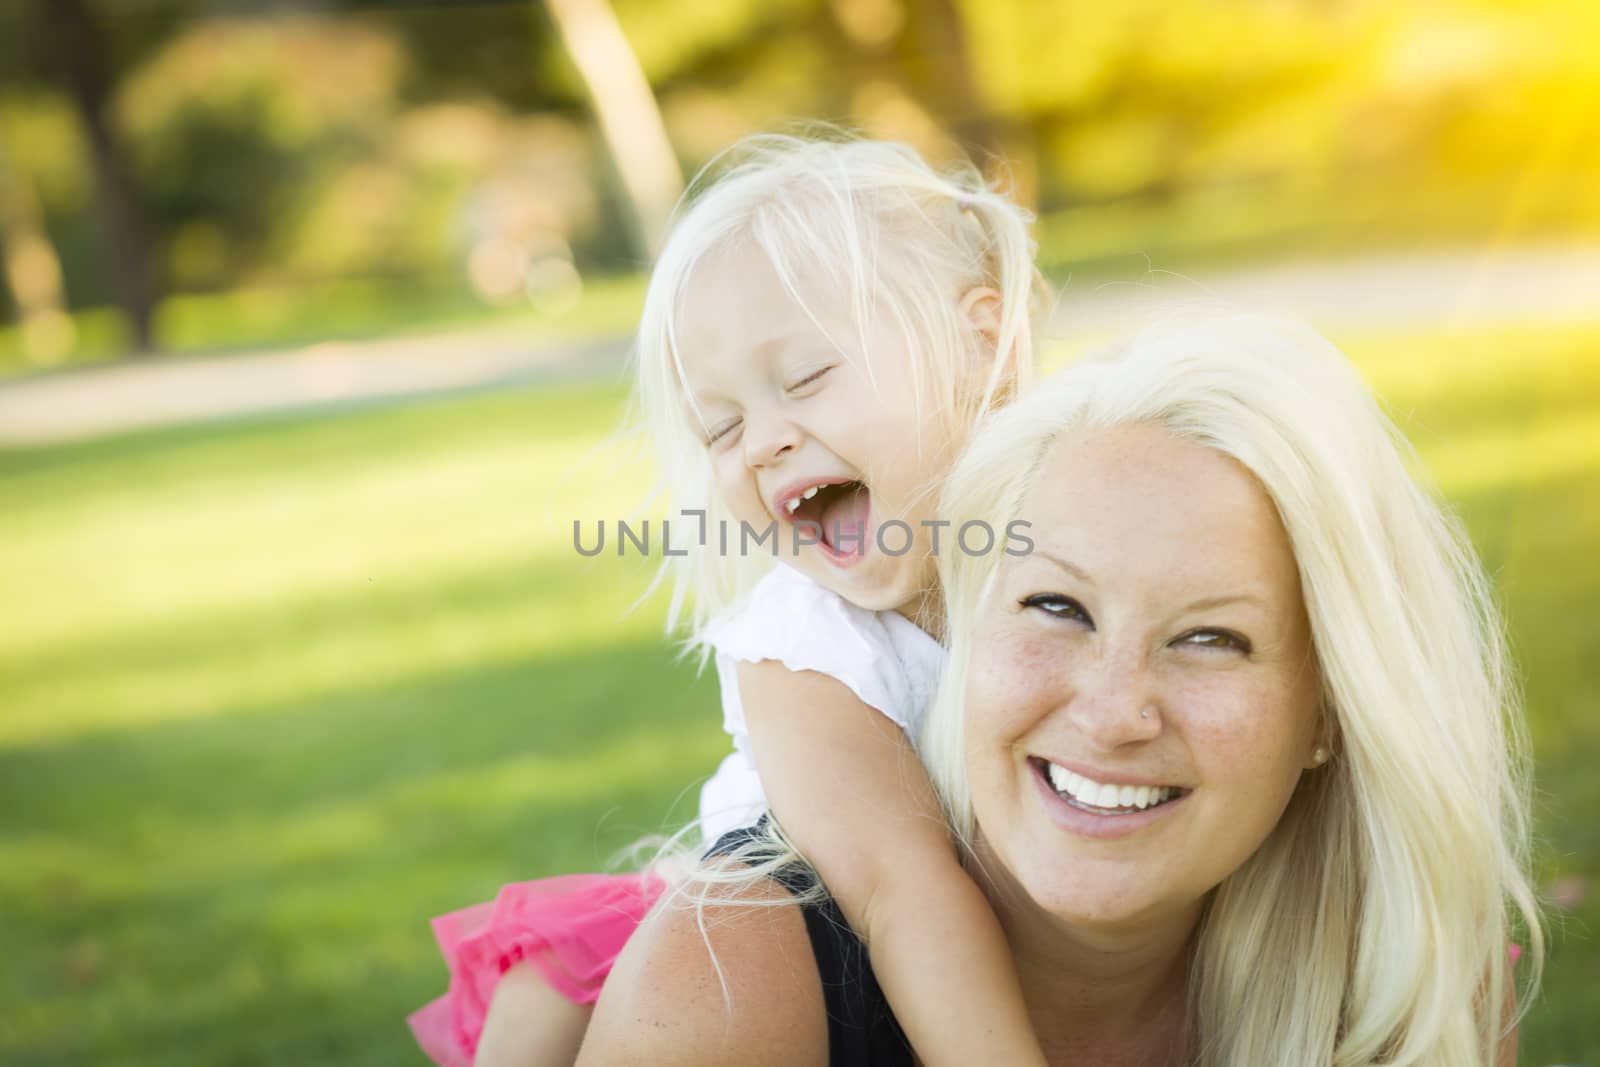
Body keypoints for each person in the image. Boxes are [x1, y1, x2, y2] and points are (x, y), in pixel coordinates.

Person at [578, 316, 1544, 1066]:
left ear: (1328, 710)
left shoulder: (1403, 980)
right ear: (962, 625)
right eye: (1057, 607)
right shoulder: (732, 982)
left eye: (1212, 637)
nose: (1113, 710)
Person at [408, 132, 1054, 1067]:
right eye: (721, 424)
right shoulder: (806, 639)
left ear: (980, 336)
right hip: (768, 936)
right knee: (543, 1004)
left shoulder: (1074, 551)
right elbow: (897, 888)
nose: (762, 443)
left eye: (807, 378)